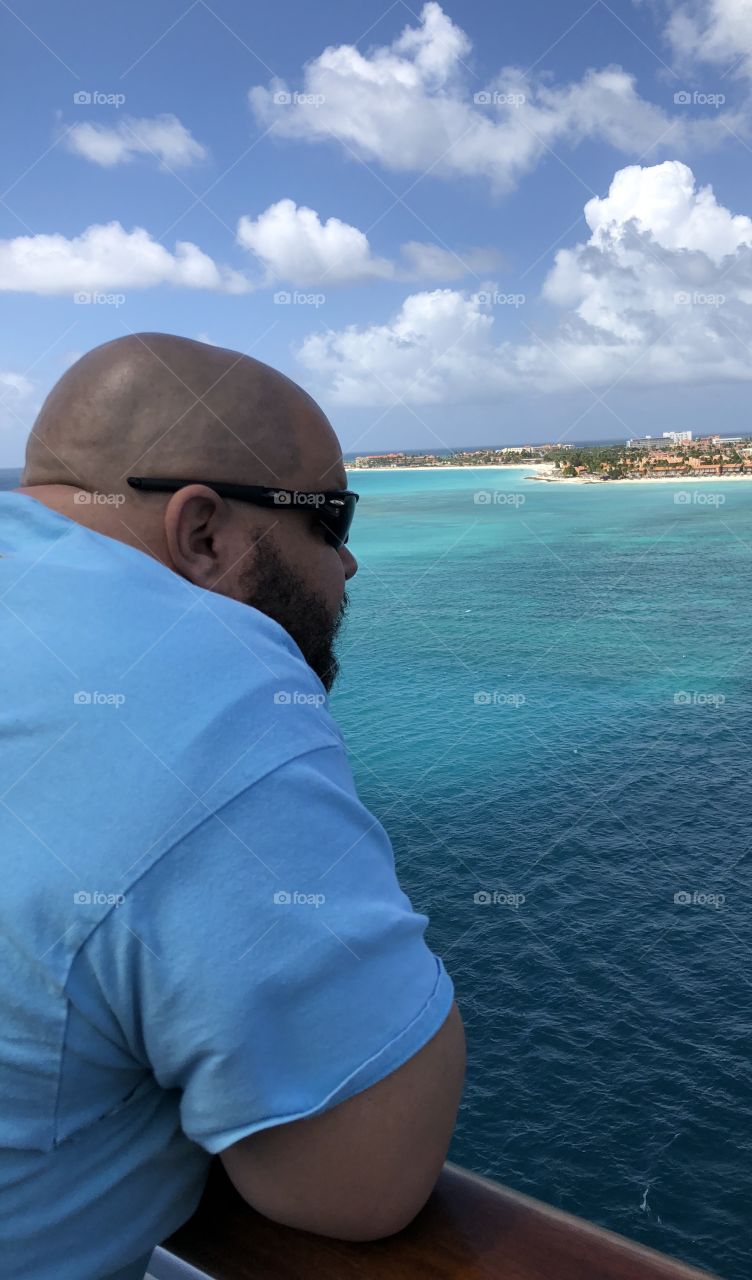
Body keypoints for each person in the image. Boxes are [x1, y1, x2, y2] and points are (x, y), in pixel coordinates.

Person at [0, 333, 465, 1280]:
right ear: (203, 532)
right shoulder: (212, 671)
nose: (349, 566)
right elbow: (360, 1181)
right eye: (333, 519)